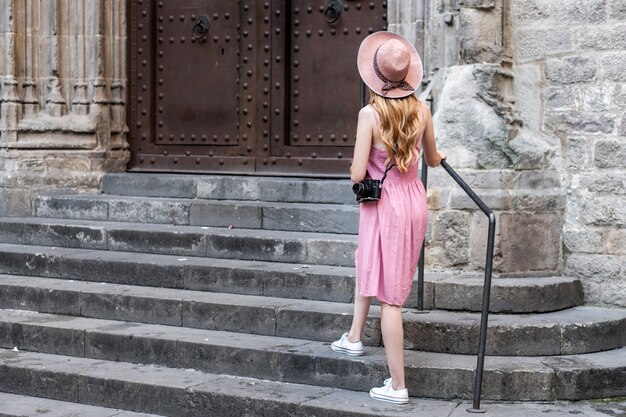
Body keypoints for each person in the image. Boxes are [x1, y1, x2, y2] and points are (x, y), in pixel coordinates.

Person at [331, 31, 446, 405]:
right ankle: (353, 336)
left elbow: (356, 172)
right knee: (369, 262)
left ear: (376, 77)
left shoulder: (370, 114)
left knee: (392, 298)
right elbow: (430, 159)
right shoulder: (423, 110)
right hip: (412, 199)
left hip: (381, 202)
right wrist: (437, 154)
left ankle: (398, 385)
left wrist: (362, 164)